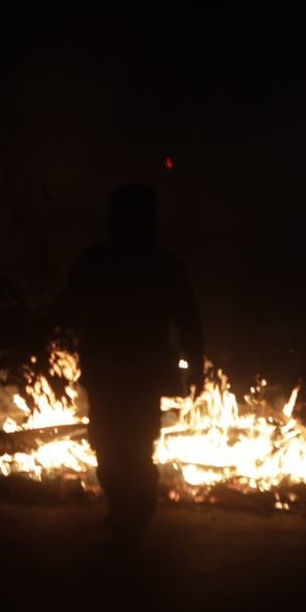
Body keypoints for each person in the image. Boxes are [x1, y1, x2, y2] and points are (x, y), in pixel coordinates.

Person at [61, 184, 203, 542]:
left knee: (127, 442)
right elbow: (69, 310)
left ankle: (133, 513)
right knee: (117, 441)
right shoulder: (147, 262)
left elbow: (187, 318)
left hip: (126, 368)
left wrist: (197, 365)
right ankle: (128, 511)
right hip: (125, 368)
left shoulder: (115, 260)